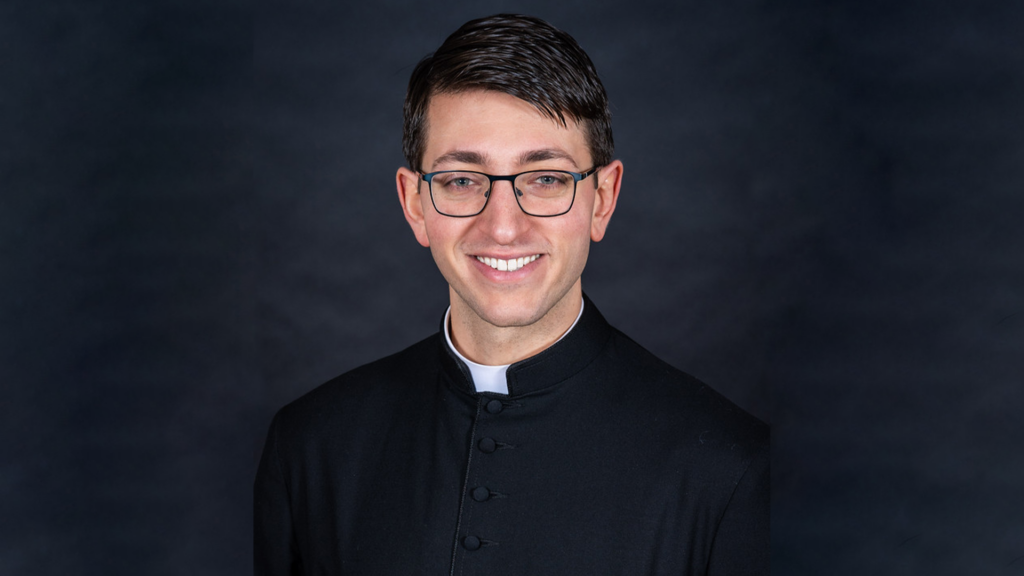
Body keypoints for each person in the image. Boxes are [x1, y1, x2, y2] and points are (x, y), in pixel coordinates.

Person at [255, 13, 768, 575]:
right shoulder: (311, 447)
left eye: (546, 179)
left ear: (602, 198)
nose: (503, 227)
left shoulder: (728, 468)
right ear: (414, 204)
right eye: (461, 180)